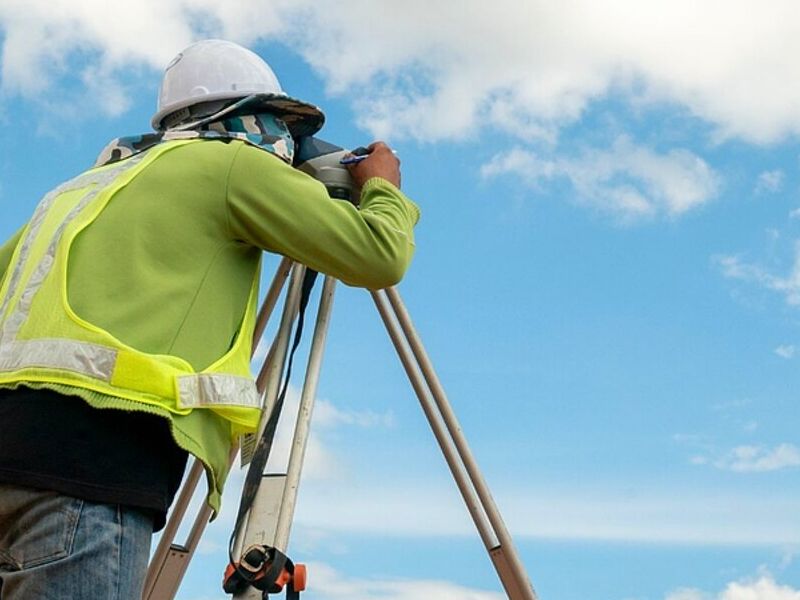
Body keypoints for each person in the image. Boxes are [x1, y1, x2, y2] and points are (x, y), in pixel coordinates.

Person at [0, 39, 420, 599]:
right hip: (92, 468)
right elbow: (377, 255)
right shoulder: (229, 164)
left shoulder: (81, 188)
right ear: (245, 117)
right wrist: (381, 186)